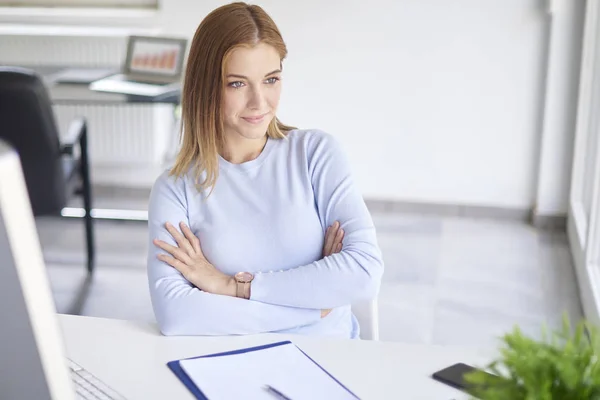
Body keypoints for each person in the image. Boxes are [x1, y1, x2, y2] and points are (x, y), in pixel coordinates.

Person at [147, 2, 384, 339]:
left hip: (330, 362)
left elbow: (363, 275)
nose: (260, 102)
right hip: (226, 367)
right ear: (205, 86)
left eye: (271, 79)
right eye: (237, 84)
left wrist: (231, 286)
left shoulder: (316, 154)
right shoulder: (176, 188)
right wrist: (314, 305)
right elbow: (177, 316)